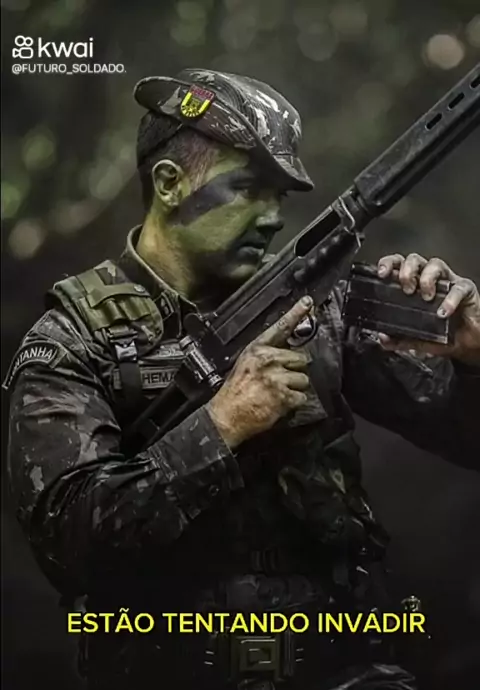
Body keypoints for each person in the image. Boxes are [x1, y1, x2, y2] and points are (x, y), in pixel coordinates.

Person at [4, 68, 480, 690]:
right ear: (170, 183)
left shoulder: (313, 306)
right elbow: (69, 545)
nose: (272, 217)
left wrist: (473, 356)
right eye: (249, 189)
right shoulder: (73, 340)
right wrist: (222, 425)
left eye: (280, 196)